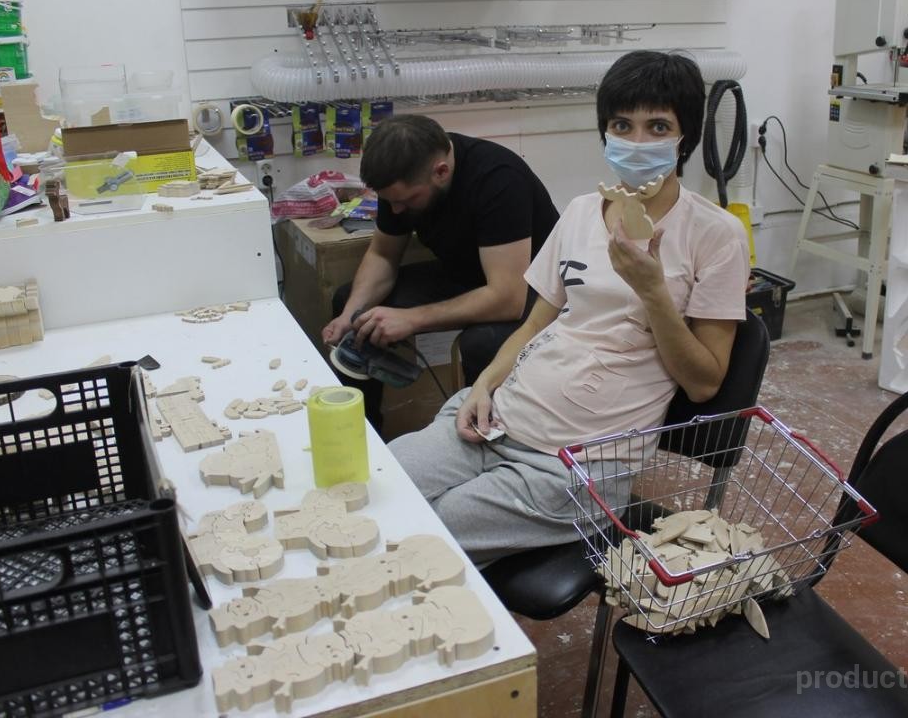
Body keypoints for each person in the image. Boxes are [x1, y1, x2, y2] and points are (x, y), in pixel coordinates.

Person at [388, 51, 752, 567]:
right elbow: (537, 322)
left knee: (421, 540)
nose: (637, 141)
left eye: (658, 126)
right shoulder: (581, 212)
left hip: (577, 466)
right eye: (622, 125)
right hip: (499, 419)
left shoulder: (716, 235)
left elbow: (703, 383)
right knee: (379, 488)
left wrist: (652, 291)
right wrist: (485, 384)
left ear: (684, 136)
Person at [321, 114, 558, 430]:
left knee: (482, 344)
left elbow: (507, 298)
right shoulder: (402, 181)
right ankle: (362, 432)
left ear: (441, 171)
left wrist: (411, 319)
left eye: (406, 200)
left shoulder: (498, 179)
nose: (396, 210)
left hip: (533, 289)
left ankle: (483, 437)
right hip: (466, 274)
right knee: (354, 310)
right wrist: (350, 315)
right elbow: (382, 254)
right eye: (390, 201)